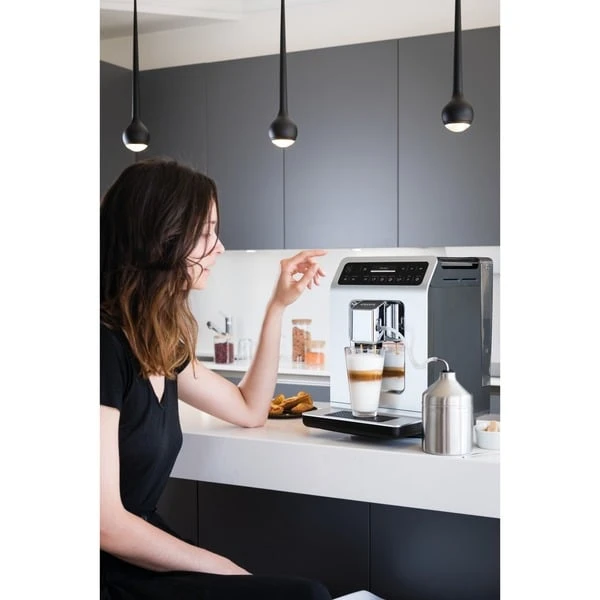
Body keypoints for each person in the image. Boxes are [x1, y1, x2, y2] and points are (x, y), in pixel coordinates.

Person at [100, 157, 331, 600]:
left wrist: (278, 305)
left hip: (140, 558)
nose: (220, 247)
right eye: (206, 233)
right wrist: (221, 567)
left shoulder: (157, 344)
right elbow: (105, 523)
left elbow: (249, 409)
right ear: (162, 237)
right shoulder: (102, 347)